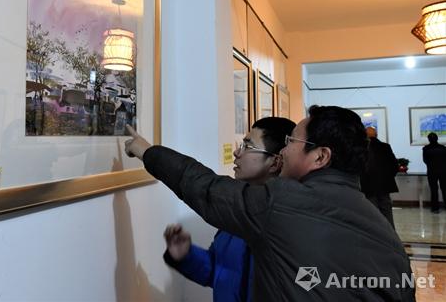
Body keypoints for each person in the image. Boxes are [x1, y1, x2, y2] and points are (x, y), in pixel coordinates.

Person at [125, 106, 415, 301]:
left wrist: (146, 151)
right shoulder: (382, 228)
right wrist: (186, 256)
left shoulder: (278, 206)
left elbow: (206, 187)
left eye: (292, 142)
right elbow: (222, 272)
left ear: (320, 157)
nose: (285, 151)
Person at [162, 117, 295, 302]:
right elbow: (220, 274)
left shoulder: (292, 222)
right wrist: (186, 255)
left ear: (274, 163)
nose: (236, 152)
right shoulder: (236, 210)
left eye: (247, 146)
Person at [360, 126, 399, 228]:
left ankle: (377, 238)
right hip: (385, 185)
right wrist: (388, 177)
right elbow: (394, 166)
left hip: (367, 186)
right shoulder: (385, 147)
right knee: (387, 211)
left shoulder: (361, 148)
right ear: (376, 135)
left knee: (372, 213)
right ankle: (391, 237)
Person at [422, 132, 446, 213]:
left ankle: (435, 208)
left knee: (434, 190)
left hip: (432, 171)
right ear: (437, 138)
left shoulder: (426, 149)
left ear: (429, 139)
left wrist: (432, 166)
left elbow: (425, 160)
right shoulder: (443, 148)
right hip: (443, 171)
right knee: (445, 189)